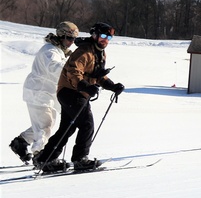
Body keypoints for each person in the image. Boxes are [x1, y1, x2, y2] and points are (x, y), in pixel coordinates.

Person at [33, 22, 126, 173]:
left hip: (76, 92)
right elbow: (73, 71)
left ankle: (45, 158)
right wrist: (84, 85)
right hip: (71, 92)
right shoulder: (84, 51)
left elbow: (99, 76)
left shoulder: (99, 52)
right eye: (103, 36)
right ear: (94, 35)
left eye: (109, 37)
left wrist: (113, 86)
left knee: (67, 128)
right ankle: (80, 159)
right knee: (86, 124)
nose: (106, 40)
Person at [8, 22, 80, 164]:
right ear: (61, 36)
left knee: (48, 123)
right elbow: (54, 68)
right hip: (38, 92)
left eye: (74, 40)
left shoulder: (61, 51)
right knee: (44, 126)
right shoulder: (50, 51)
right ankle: (39, 155)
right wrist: (74, 70)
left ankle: (21, 142)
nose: (72, 42)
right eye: (69, 38)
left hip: (48, 93)